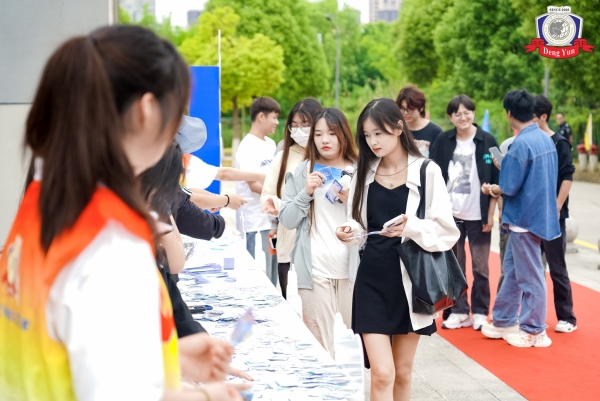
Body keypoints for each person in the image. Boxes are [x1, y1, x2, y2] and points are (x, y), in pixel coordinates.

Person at [0, 26, 248, 400]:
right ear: (147, 110)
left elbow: (67, 342)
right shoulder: (113, 243)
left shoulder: (42, 203)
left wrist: (170, 358)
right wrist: (208, 396)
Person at [336, 98, 459, 401]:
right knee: (382, 373)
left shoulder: (427, 171)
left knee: (402, 373)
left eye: (379, 133)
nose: (373, 141)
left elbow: (447, 232)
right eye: (367, 135)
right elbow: (360, 226)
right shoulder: (363, 172)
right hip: (371, 280)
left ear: (399, 128)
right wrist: (349, 232)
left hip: (410, 282)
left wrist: (410, 226)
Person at [481, 90, 560, 348]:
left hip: (523, 219)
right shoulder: (544, 139)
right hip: (538, 215)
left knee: (529, 276)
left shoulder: (520, 144)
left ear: (509, 114)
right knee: (514, 272)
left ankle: (534, 330)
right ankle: (503, 320)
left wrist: (492, 187)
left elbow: (509, 186)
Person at [279, 107, 358, 356]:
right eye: (319, 134)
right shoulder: (301, 172)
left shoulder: (361, 171)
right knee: (321, 350)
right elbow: (287, 220)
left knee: (361, 345)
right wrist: (306, 193)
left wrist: (352, 200)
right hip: (314, 271)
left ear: (344, 134)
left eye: (332, 133)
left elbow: (376, 219)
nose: (325, 140)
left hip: (354, 270)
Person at [430, 95, 499, 331]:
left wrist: (490, 215)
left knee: (481, 267)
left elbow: (498, 179)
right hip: (451, 216)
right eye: (457, 114)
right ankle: (459, 311)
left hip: (478, 214)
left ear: (473, 113)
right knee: (455, 266)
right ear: (450, 117)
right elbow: (433, 176)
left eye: (467, 112)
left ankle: (480, 312)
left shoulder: (488, 141)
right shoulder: (443, 140)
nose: (463, 117)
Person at [260, 98, 322, 299]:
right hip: (289, 245)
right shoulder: (283, 156)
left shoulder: (328, 155)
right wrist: (276, 204)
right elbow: (267, 194)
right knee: (293, 305)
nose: (299, 131)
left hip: (322, 248)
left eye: (305, 125)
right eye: (294, 126)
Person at [533, 95, 577, 333]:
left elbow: (567, 176)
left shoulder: (559, 143)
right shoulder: (530, 142)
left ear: (543, 117)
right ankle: (532, 316)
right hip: (531, 215)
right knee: (531, 267)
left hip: (552, 216)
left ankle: (567, 317)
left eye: (532, 116)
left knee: (557, 267)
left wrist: (557, 206)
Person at [235, 97, 280, 286]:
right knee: (255, 278)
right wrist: (278, 197)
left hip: (271, 220)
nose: (277, 122)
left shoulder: (271, 144)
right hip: (254, 223)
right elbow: (253, 184)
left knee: (272, 275)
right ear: (261, 116)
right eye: (274, 117)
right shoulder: (246, 147)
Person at [396, 85, 443, 158]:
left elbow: (439, 158)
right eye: (402, 108)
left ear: (421, 108)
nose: (405, 112)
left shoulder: (435, 131)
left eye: (410, 108)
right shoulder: (398, 129)